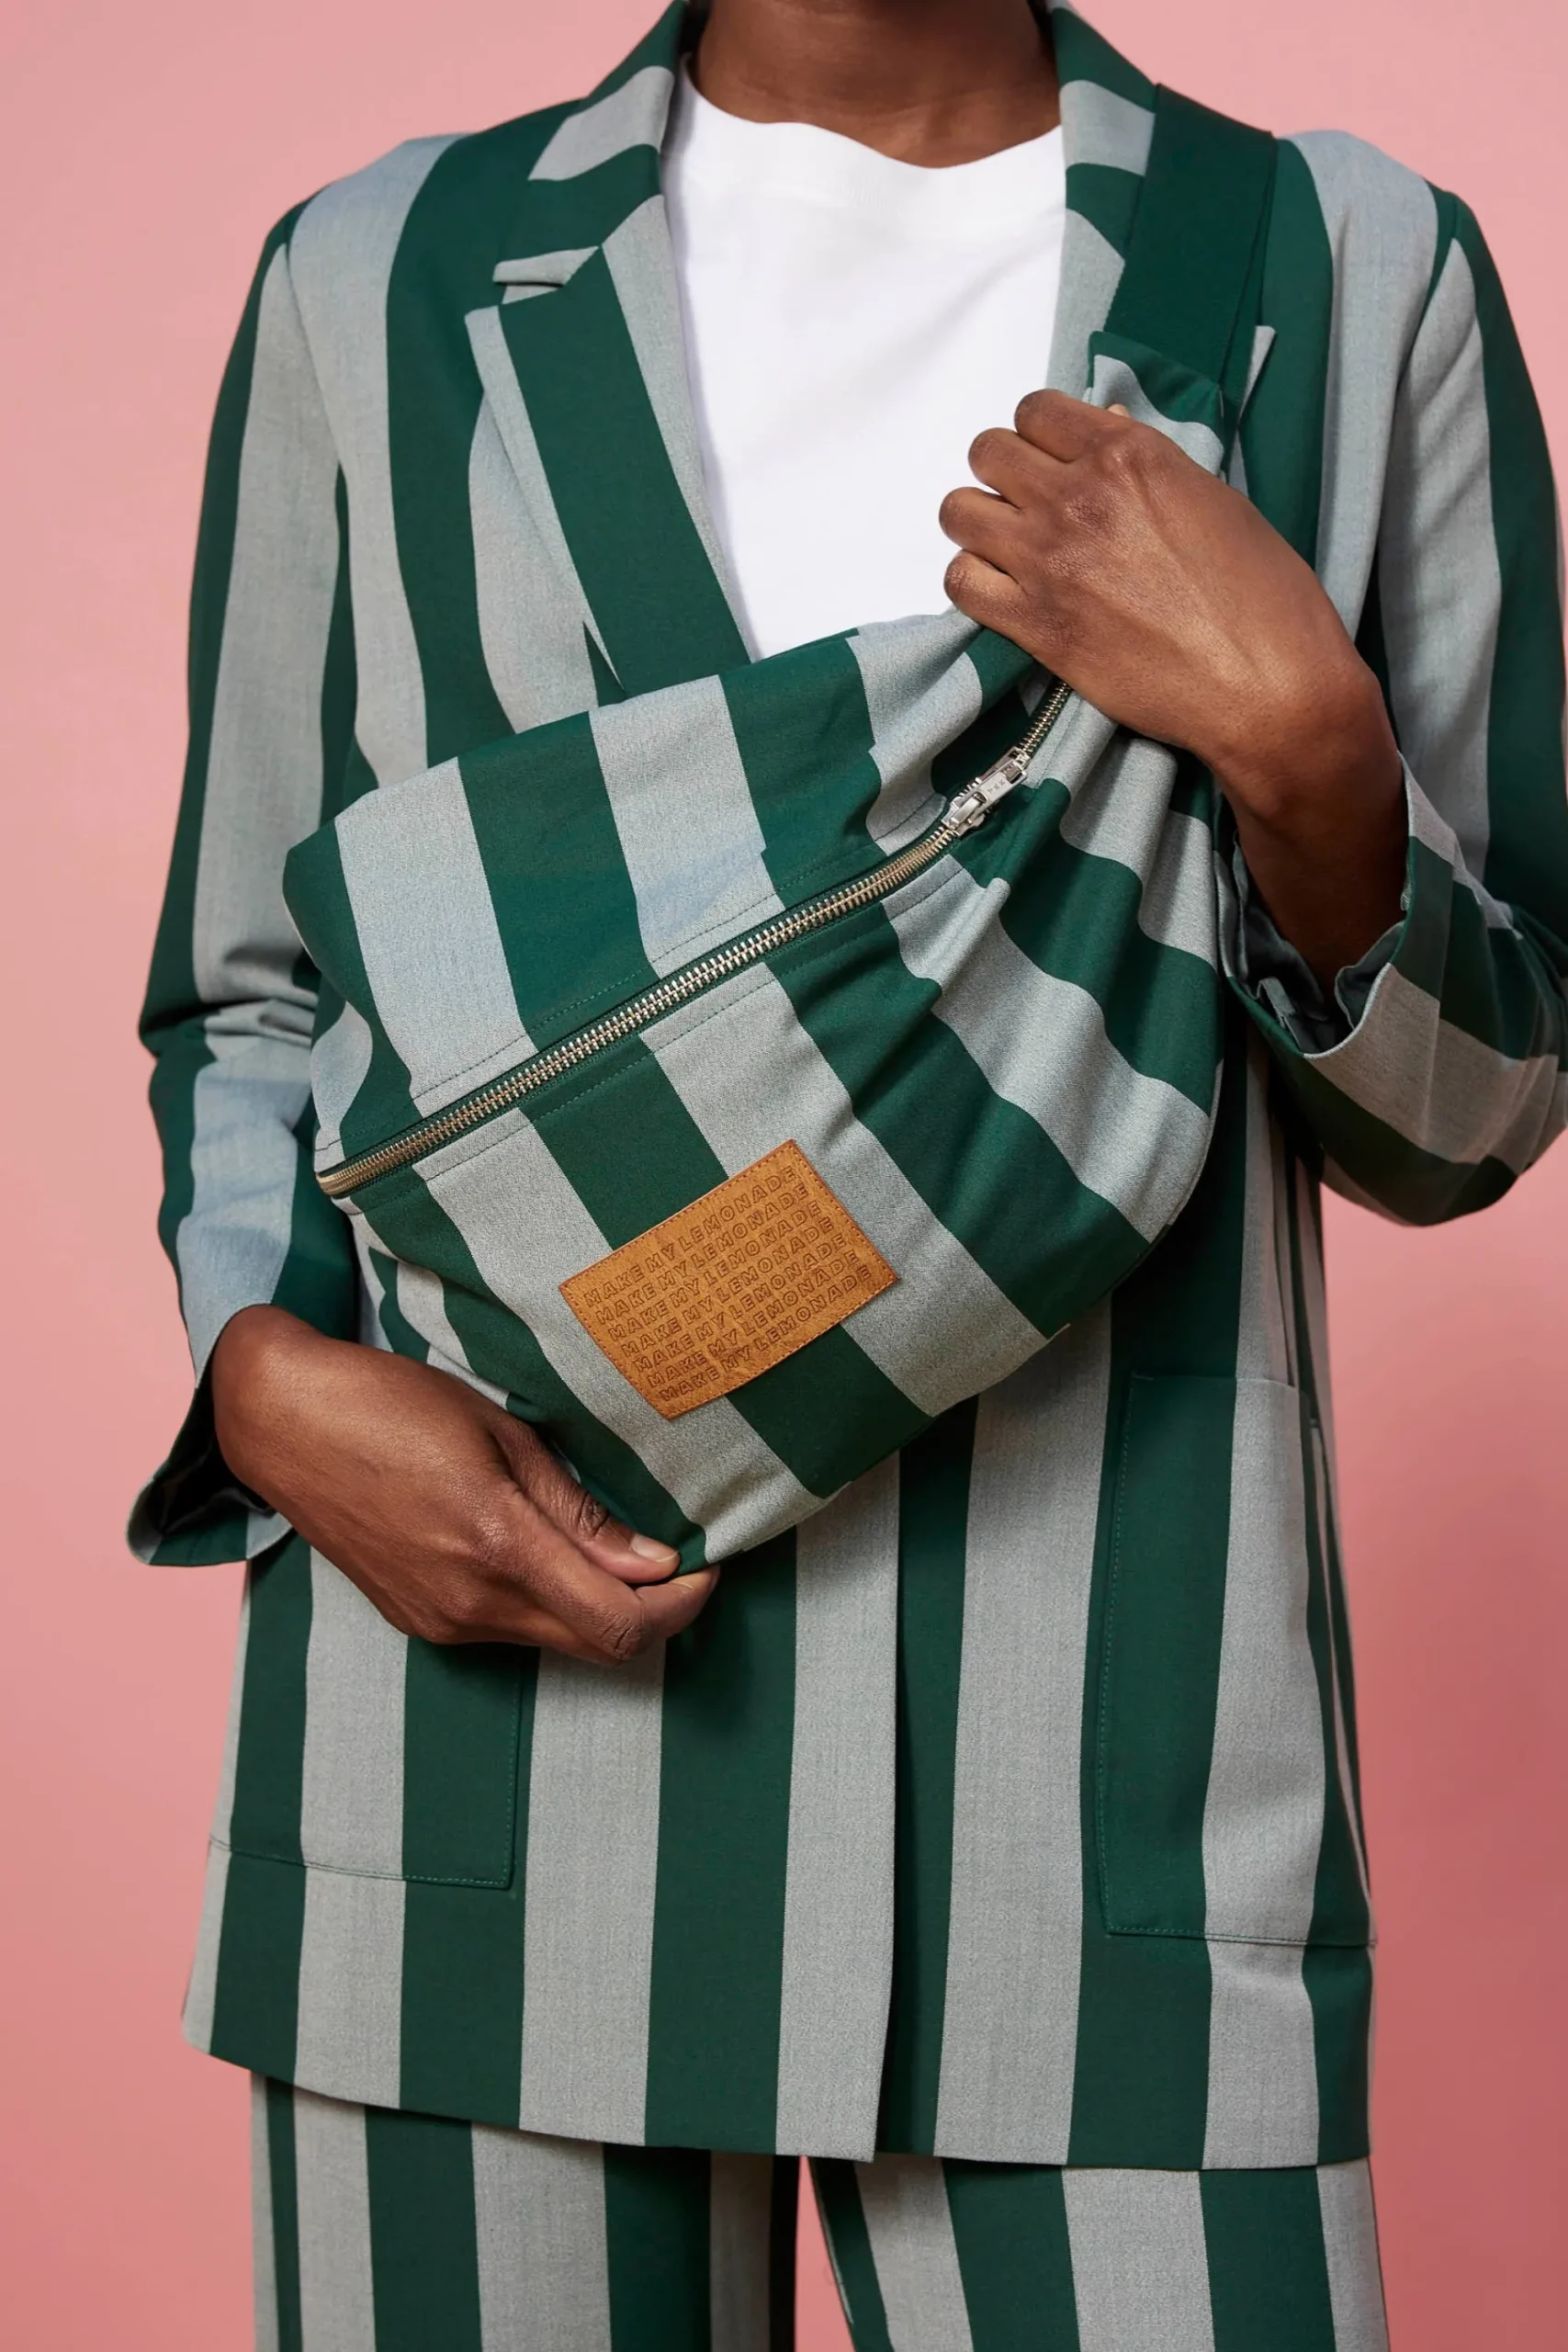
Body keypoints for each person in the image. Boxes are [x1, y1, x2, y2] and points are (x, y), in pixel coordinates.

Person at [132, 0, 1567, 2344]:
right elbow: (252, 989)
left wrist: (1313, 750)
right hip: (487, 1742)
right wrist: (261, 1374)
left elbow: (1477, 1107)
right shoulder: (373, 280)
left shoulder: (1344, 265)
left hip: (1104, 1794)